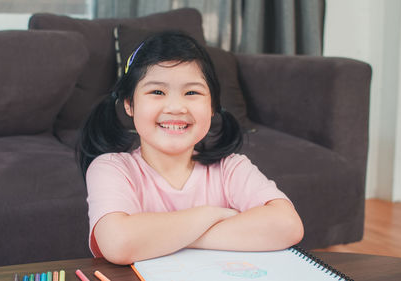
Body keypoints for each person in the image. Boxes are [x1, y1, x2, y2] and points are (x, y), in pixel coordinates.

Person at [77, 31, 304, 265]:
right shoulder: (111, 168)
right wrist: (212, 215)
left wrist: (168, 238)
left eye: (192, 92)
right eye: (157, 92)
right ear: (129, 104)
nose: (176, 107)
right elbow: (119, 243)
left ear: (213, 105)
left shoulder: (230, 167)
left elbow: (287, 226)